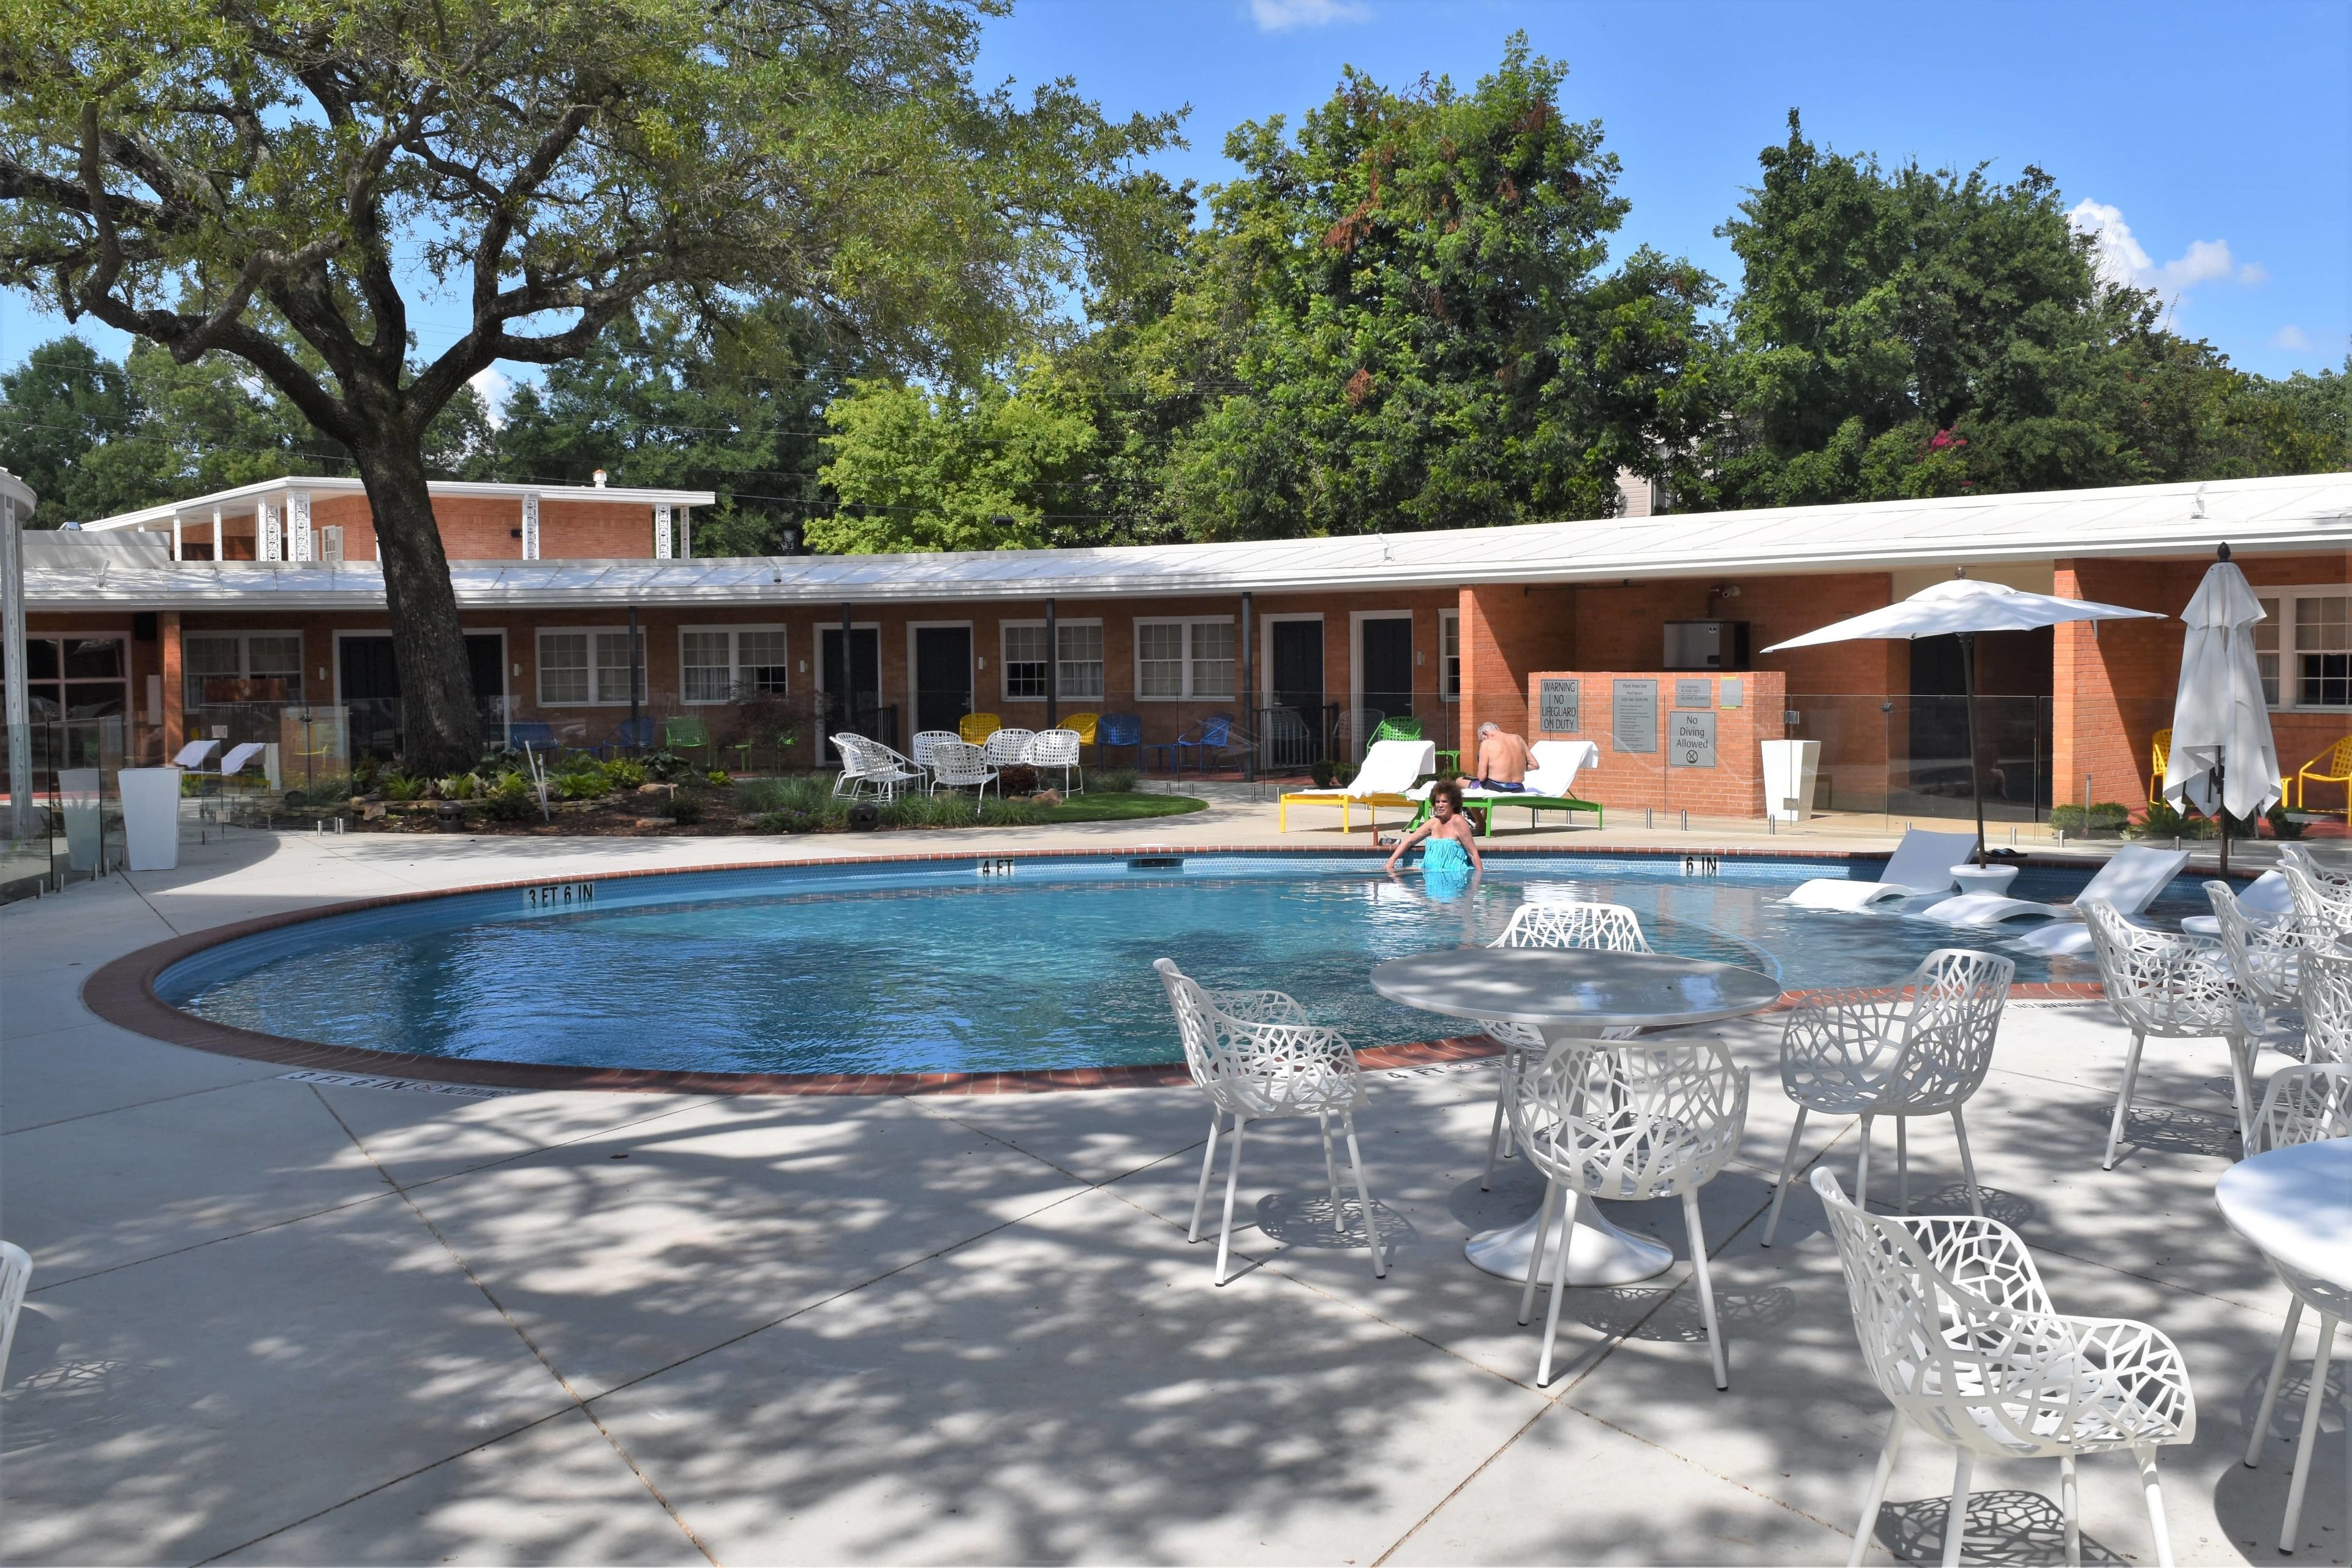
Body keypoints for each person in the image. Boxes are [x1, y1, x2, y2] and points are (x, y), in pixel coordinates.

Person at [1385, 778, 1484, 878]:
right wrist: (1391, 861)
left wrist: (1479, 878)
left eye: (1444, 801)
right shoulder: (1434, 822)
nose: (1440, 805)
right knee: (1393, 876)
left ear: (1453, 803)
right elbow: (1410, 841)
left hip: (1453, 877)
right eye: (1437, 802)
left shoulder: (1458, 821)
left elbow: (1473, 853)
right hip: (1429, 875)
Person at [1474, 721, 1532, 791]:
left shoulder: (1486, 743)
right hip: (1518, 788)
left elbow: (1482, 777)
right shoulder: (1518, 738)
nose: (1482, 742)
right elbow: (1534, 765)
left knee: (1461, 781)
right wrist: (1515, 769)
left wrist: (1499, 770)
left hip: (1496, 788)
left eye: (1481, 740)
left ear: (1485, 734)